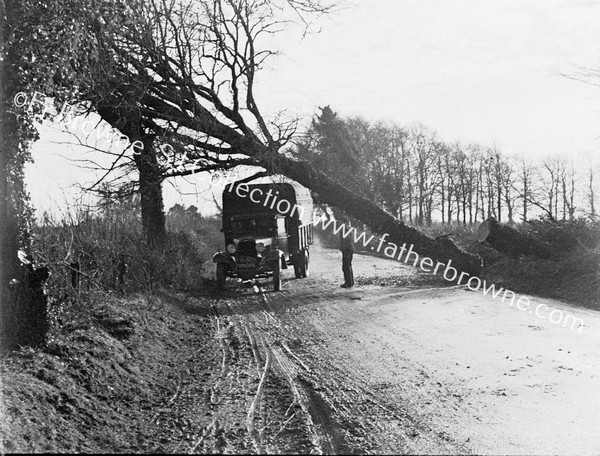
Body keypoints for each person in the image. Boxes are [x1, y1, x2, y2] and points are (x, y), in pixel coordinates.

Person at [339, 217, 354, 288]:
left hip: (347, 249)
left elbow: (346, 239)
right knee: (348, 265)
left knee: (345, 266)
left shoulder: (344, 228)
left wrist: (343, 248)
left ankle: (348, 283)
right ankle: (351, 282)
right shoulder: (349, 228)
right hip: (350, 248)